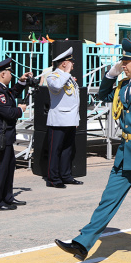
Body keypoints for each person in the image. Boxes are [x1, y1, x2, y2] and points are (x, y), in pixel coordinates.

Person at [55, 39, 131, 263]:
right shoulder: (124, 86)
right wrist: (110, 76)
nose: (123, 65)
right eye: (122, 61)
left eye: (127, 61)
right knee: (108, 200)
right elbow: (103, 95)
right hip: (126, 152)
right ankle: (82, 243)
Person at [0, 59, 32, 210]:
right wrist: (21, 109)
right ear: (3, 74)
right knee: (0, 169)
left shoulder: (0, 88)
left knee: (9, 168)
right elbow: (9, 112)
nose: (11, 75)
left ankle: (7, 198)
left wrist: (22, 82)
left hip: (6, 136)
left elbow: (12, 93)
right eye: (10, 72)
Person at [45, 48, 83, 188]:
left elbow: (75, 100)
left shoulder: (69, 78)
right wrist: (66, 73)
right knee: (55, 151)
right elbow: (56, 87)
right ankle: (53, 178)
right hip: (58, 120)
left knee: (68, 150)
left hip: (70, 120)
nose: (73, 65)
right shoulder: (53, 76)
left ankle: (66, 175)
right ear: (64, 63)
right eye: (71, 62)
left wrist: (76, 119)